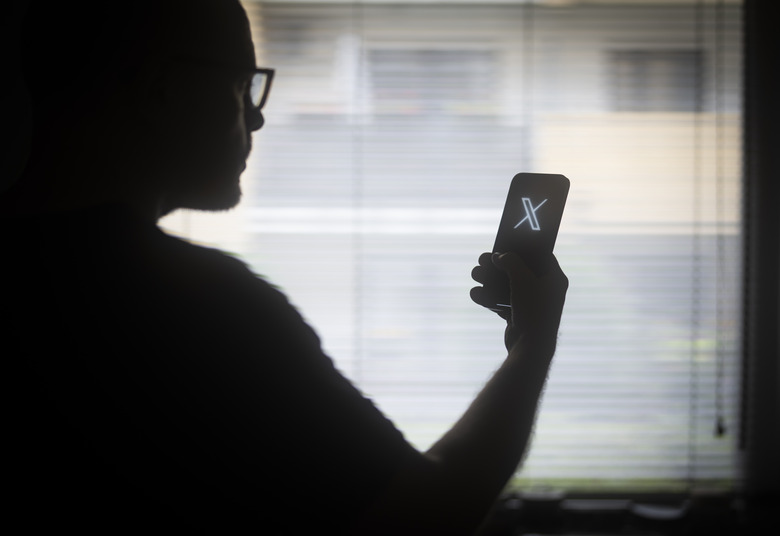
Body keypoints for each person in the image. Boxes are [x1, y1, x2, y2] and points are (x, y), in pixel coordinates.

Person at [2, 0, 568, 534]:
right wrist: (533, 344)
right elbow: (428, 515)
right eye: (241, 84)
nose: (256, 117)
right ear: (165, 90)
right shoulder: (199, 306)